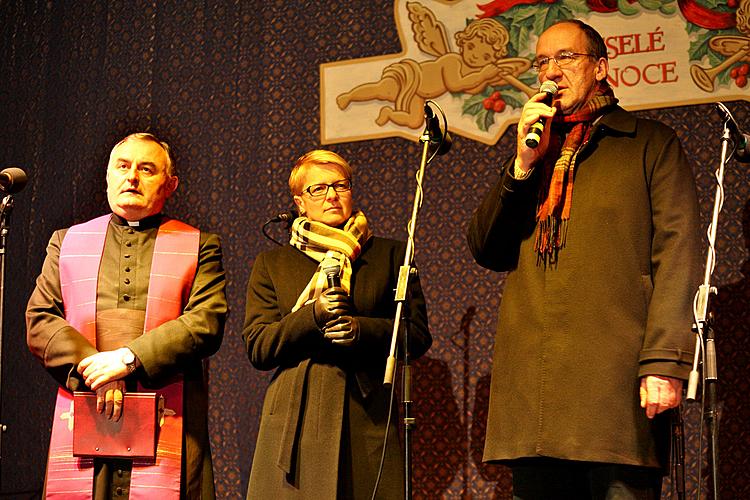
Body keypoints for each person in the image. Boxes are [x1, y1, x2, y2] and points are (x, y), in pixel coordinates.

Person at [466, 20, 702, 499]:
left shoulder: (648, 144)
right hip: (535, 392)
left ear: (600, 66)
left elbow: (678, 256)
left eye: (566, 58)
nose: (552, 72)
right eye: (543, 62)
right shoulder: (537, 153)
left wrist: (663, 361)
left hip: (614, 386)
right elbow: (486, 248)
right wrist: (522, 166)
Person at [26, 132, 227, 499]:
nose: (131, 177)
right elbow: (40, 319)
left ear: (170, 185)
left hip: (166, 408)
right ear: (107, 176)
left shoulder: (199, 245)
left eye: (146, 169)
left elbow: (207, 321)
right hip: (87, 401)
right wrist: (97, 369)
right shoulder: (66, 242)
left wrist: (128, 360)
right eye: (123, 166)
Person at [243, 149, 431, 499]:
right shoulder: (273, 263)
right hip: (295, 419)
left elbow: (416, 334)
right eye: (318, 189)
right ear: (300, 202)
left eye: (340, 186)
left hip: (367, 413)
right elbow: (258, 346)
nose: (331, 195)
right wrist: (311, 315)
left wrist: (362, 329)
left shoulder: (389, 254)